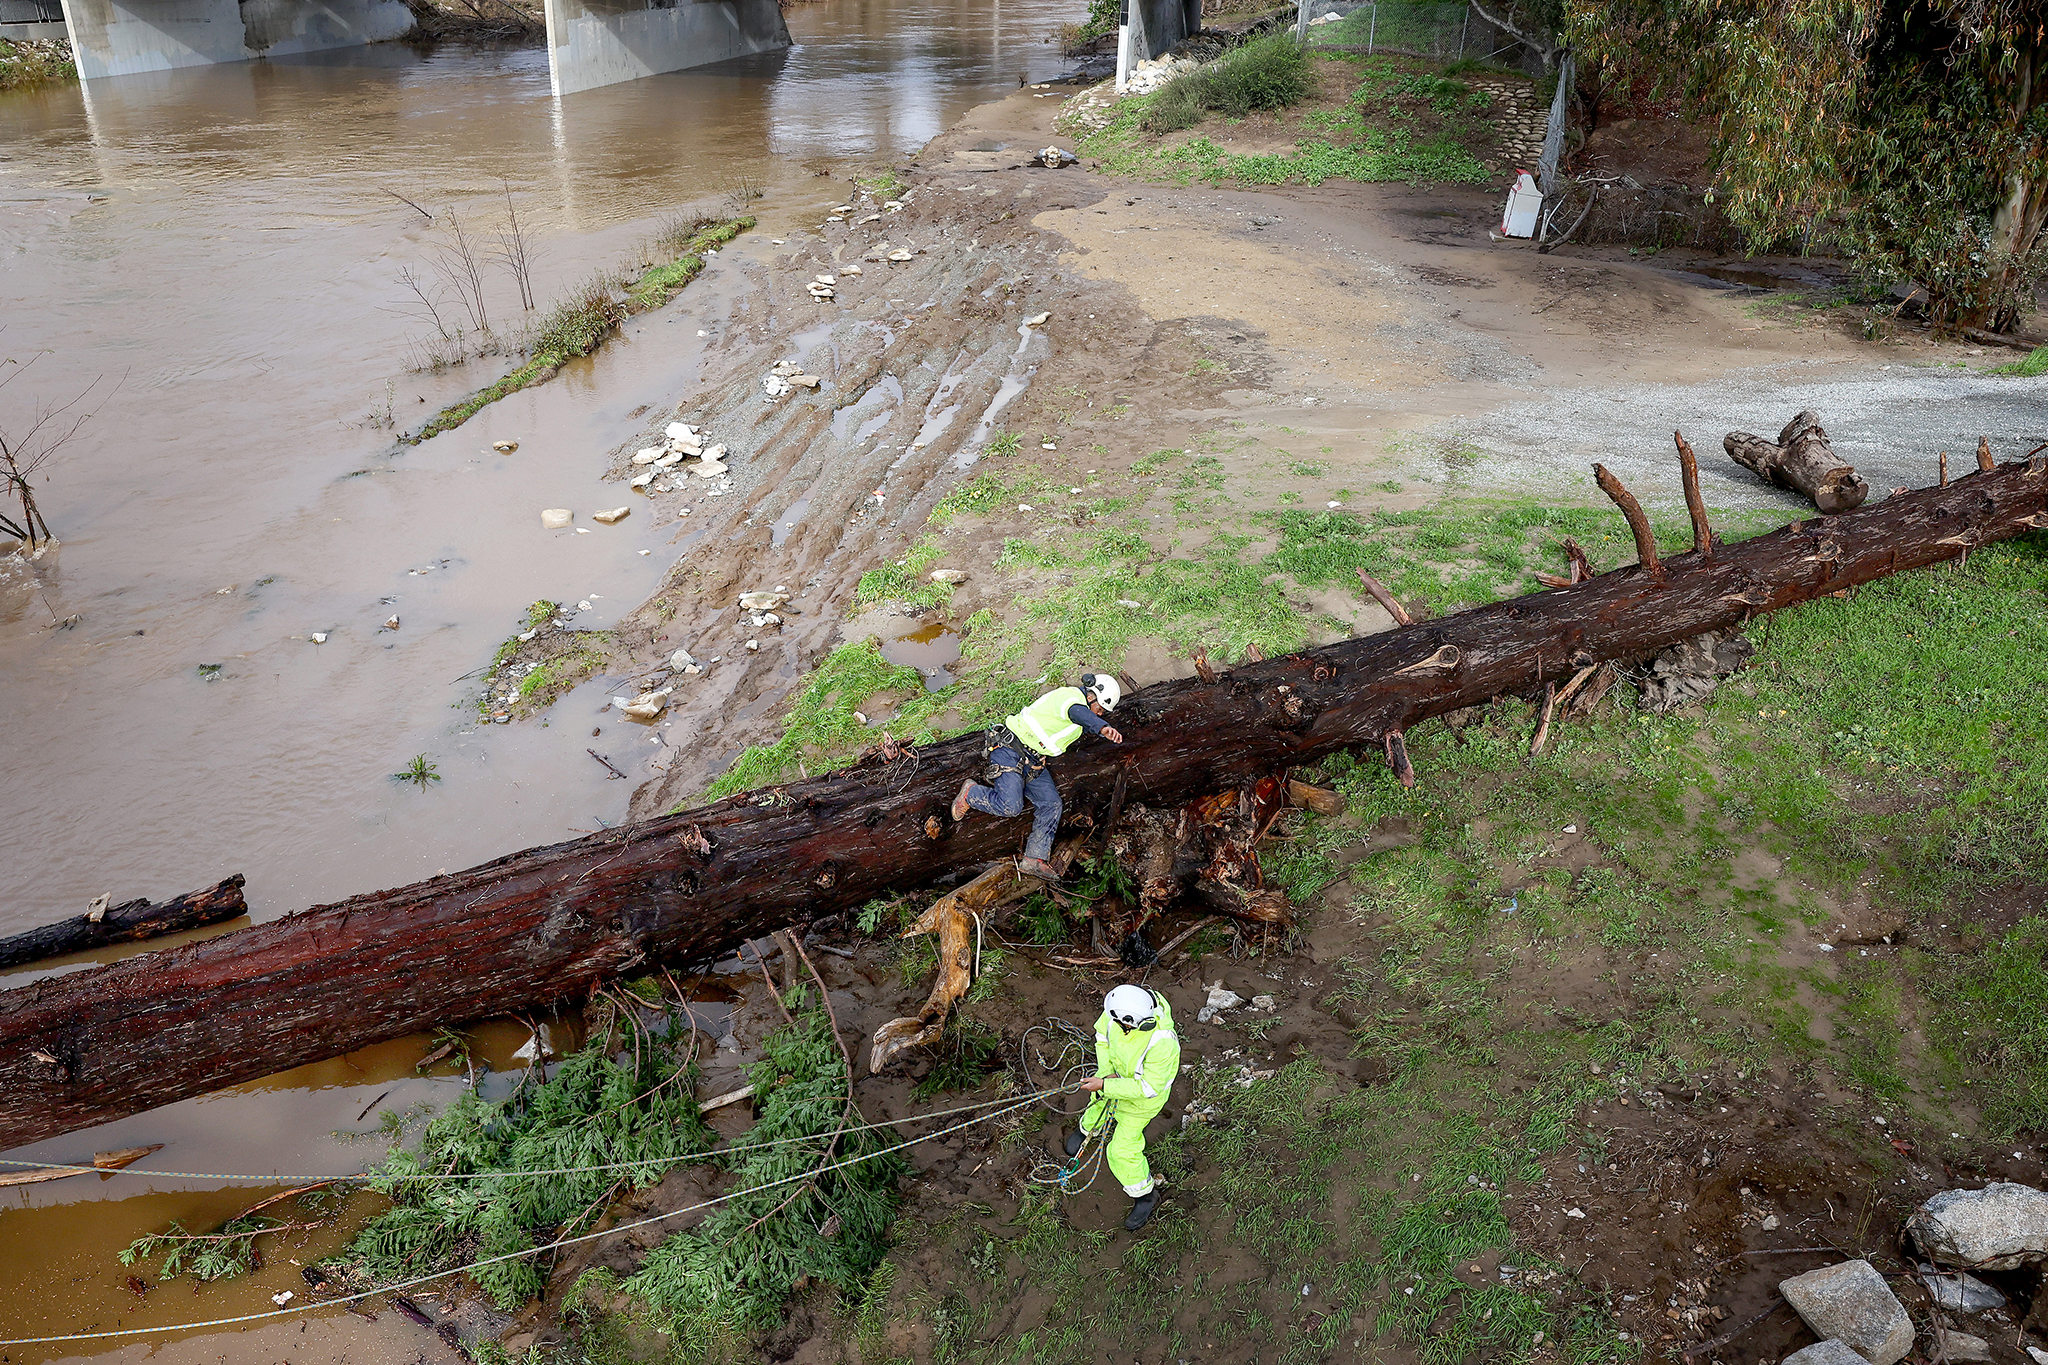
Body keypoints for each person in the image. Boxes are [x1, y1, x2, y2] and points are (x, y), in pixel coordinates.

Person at [950, 673, 1124, 881]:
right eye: (1101, 709)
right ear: (1091, 697)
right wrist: (1103, 727)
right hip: (1010, 749)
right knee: (1010, 806)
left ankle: (1034, 858)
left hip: (1031, 761)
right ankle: (971, 793)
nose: (1100, 714)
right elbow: (1078, 714)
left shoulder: (1079, 716)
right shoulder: (1070, 700)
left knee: (1052, 804)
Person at [1064, 984, 1180, 1230]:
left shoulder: (1162, 1043)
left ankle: (1145, 1195)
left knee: (1121, 1152)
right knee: (1096, 1104)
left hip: (1140, 1103)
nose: (1123, 1029)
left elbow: (1148, 1087)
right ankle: (1087, 1132)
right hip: (1112, 1079)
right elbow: (1102, 1037)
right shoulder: (1116, 1011)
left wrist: (1106, 1085)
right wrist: (1106, 1075)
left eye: (1127, 1027)